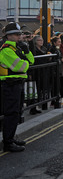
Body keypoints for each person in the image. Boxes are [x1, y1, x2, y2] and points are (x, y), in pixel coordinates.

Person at [0, 23, 35, 152]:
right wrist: (25, 60)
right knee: (11, 113)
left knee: (16, 112)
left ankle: (11, 138)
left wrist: (26, 50)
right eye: (17, 34)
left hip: (17, 84)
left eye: (20, 34)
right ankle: (8, 143)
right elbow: (22, 67)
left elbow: (31, 61)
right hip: (10, 85)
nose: (20, 36)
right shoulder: (6, 50)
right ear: (8, 36)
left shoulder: (17, 48)